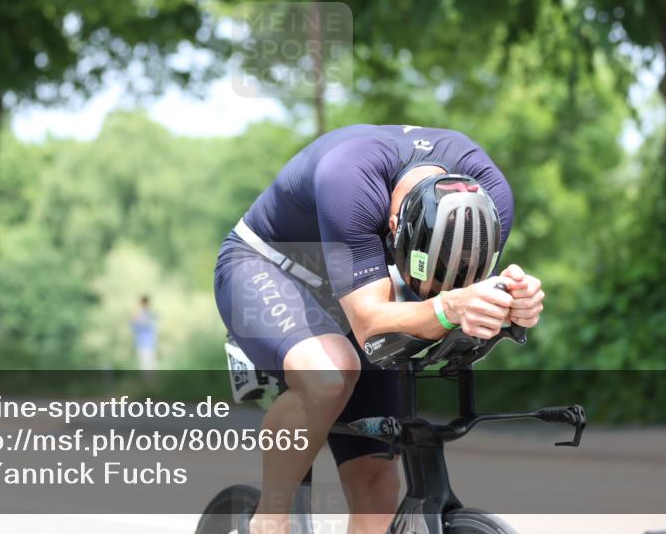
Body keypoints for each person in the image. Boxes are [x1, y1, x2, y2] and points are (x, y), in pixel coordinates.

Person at [213, 124, 545, 534]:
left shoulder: (488, 195)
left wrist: (514, 305)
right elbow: (372, 324)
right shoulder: (349, 178)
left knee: (377, 485)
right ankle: (270, 518)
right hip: (267, 267)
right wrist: (446, 306)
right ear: (394, 223)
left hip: (358, 286)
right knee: (330, 376)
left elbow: (464, 303)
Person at [130, 295, 158, 371]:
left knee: (150, 365)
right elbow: (133, 327)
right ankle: (146, 381)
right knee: (145, 365)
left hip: (149, 343)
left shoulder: (151, 314)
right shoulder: (137, 314)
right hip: (142, 343)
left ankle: (150, 381)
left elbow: (154, 325)